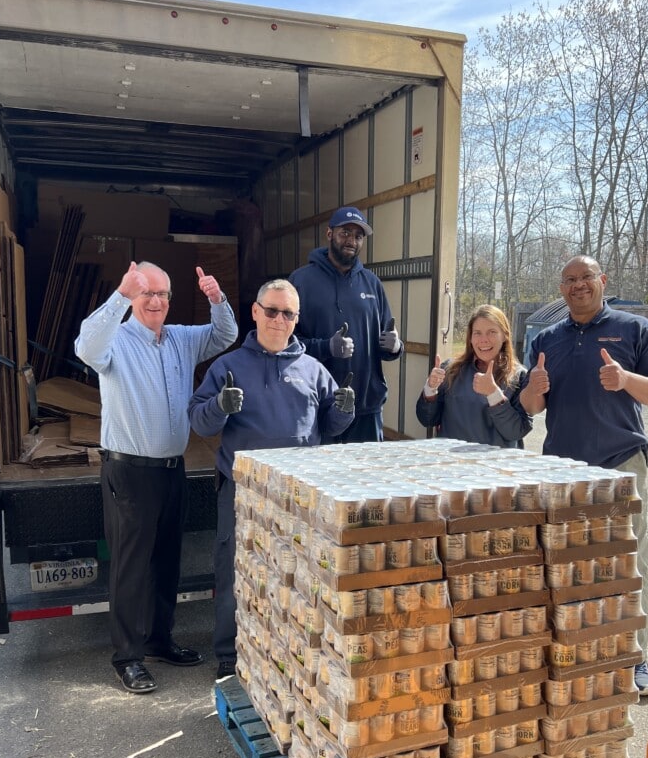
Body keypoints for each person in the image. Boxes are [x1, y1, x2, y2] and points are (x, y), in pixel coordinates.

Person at [74, 260, 238, 694]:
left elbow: (224, 335)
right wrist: (119, 294)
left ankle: (159, 641)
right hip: (129, 471)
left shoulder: (182, 339)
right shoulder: (115, 340)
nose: (155, 301)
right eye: (146, 293)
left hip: (171, 468)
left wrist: (216, 299)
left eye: (162, 294)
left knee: (167, 561)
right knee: (130, 567)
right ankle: (126, 657)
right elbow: (85, 348)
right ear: (132, 298)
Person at [519, 255, 648, 696]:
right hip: (564, 468)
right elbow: (532, 409)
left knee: (629, 563)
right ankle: (574, 649)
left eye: (586, 277)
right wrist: (535, 388)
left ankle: (636, 658)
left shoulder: (634, 329)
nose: (578, 285)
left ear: (602, 280)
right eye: (569, 280)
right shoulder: (548, 338)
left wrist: (625, 379)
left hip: (621, 461)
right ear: (561, 288)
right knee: (566, 565)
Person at [187, 279, 355, 682]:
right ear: (256, 312)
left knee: (299, 573)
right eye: (273, 310)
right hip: (243, 490)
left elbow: (331, 426)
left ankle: (292, 645)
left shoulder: (313, 370)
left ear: (296, 319)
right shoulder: (227, 366)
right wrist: (219, 406)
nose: (280, 320)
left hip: (299, 495)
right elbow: (197, 419)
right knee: (234, 569)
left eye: (289, 313)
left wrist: (345, 410)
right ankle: (230, 652)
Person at [289, 206, 402, 443]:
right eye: (345, 233)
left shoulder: (372, 284)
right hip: (318, 405)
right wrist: (325, 348)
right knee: (319, 478)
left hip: (365, 406)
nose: (351, 240)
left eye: (358, 236)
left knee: (366, 478)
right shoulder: (301, 282)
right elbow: (285, 345)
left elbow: (386, 339)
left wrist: (395, 347)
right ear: (329, 234)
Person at [416, 304, 532, 448]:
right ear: (470, 338)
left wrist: (494, 394)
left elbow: (515, 432)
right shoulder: (452, 369)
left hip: (495, 466)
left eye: (491, 332)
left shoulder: (519, 376)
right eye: (477, 333)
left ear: (505, 336)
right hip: (452, 464)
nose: (484, 339)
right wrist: (430, 389)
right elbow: (427, 420)